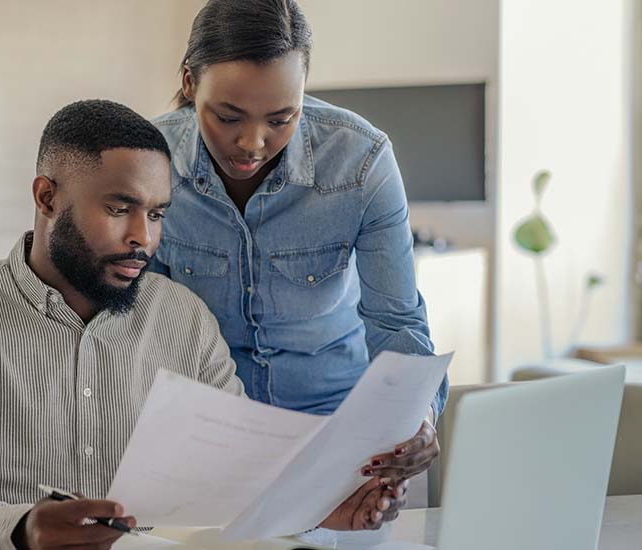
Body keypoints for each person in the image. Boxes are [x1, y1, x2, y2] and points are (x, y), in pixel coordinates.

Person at [0, 100, 407, 550]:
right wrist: (19, 529)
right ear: (47, 197)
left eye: (156, 214)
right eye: (120, 208)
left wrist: (316, 507)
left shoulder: (184, 321)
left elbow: (235, 478)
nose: (142, 238)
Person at [150, 0, 448, 483]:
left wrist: (418, 415)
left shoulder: (362, 163)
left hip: (337, 432)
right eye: (228, 117)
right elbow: (138, 326)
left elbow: (397, 323)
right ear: (189, 82)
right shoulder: (149, 161)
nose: (252, 143)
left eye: (281, 118)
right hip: (205, 433)